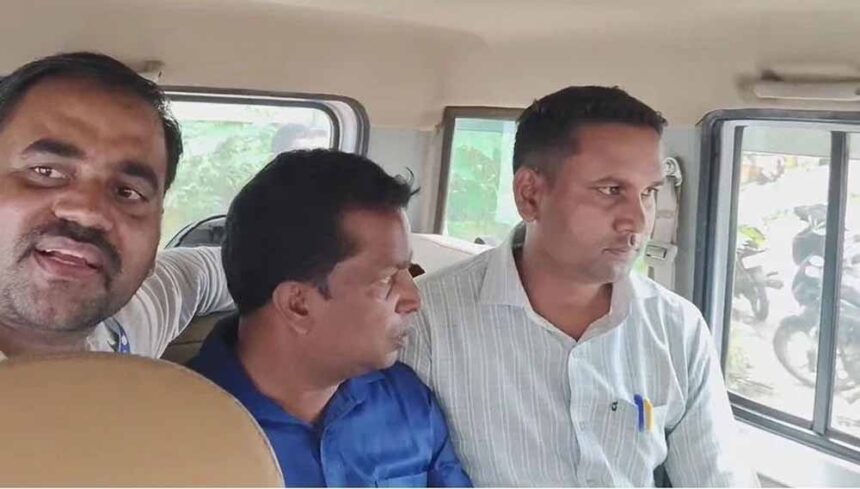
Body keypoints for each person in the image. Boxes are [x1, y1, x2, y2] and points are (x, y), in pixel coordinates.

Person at [400, 86, 759, 486]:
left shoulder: (676, 327)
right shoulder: (426, 320)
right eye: (611, 190)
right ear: (530, 195)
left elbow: (716, 476)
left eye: (649, 193)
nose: (638, 221)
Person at [189, 149, 472, 487]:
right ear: (298, 305)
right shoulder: (175, 424)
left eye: (409, 271)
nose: (413, 299)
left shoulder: (408, 402)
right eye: (386, 279)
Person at [0, 52, 231, 361]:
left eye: (127, 192)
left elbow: (204, 274)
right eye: (47, 171)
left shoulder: (127, 326)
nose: (89, 213)